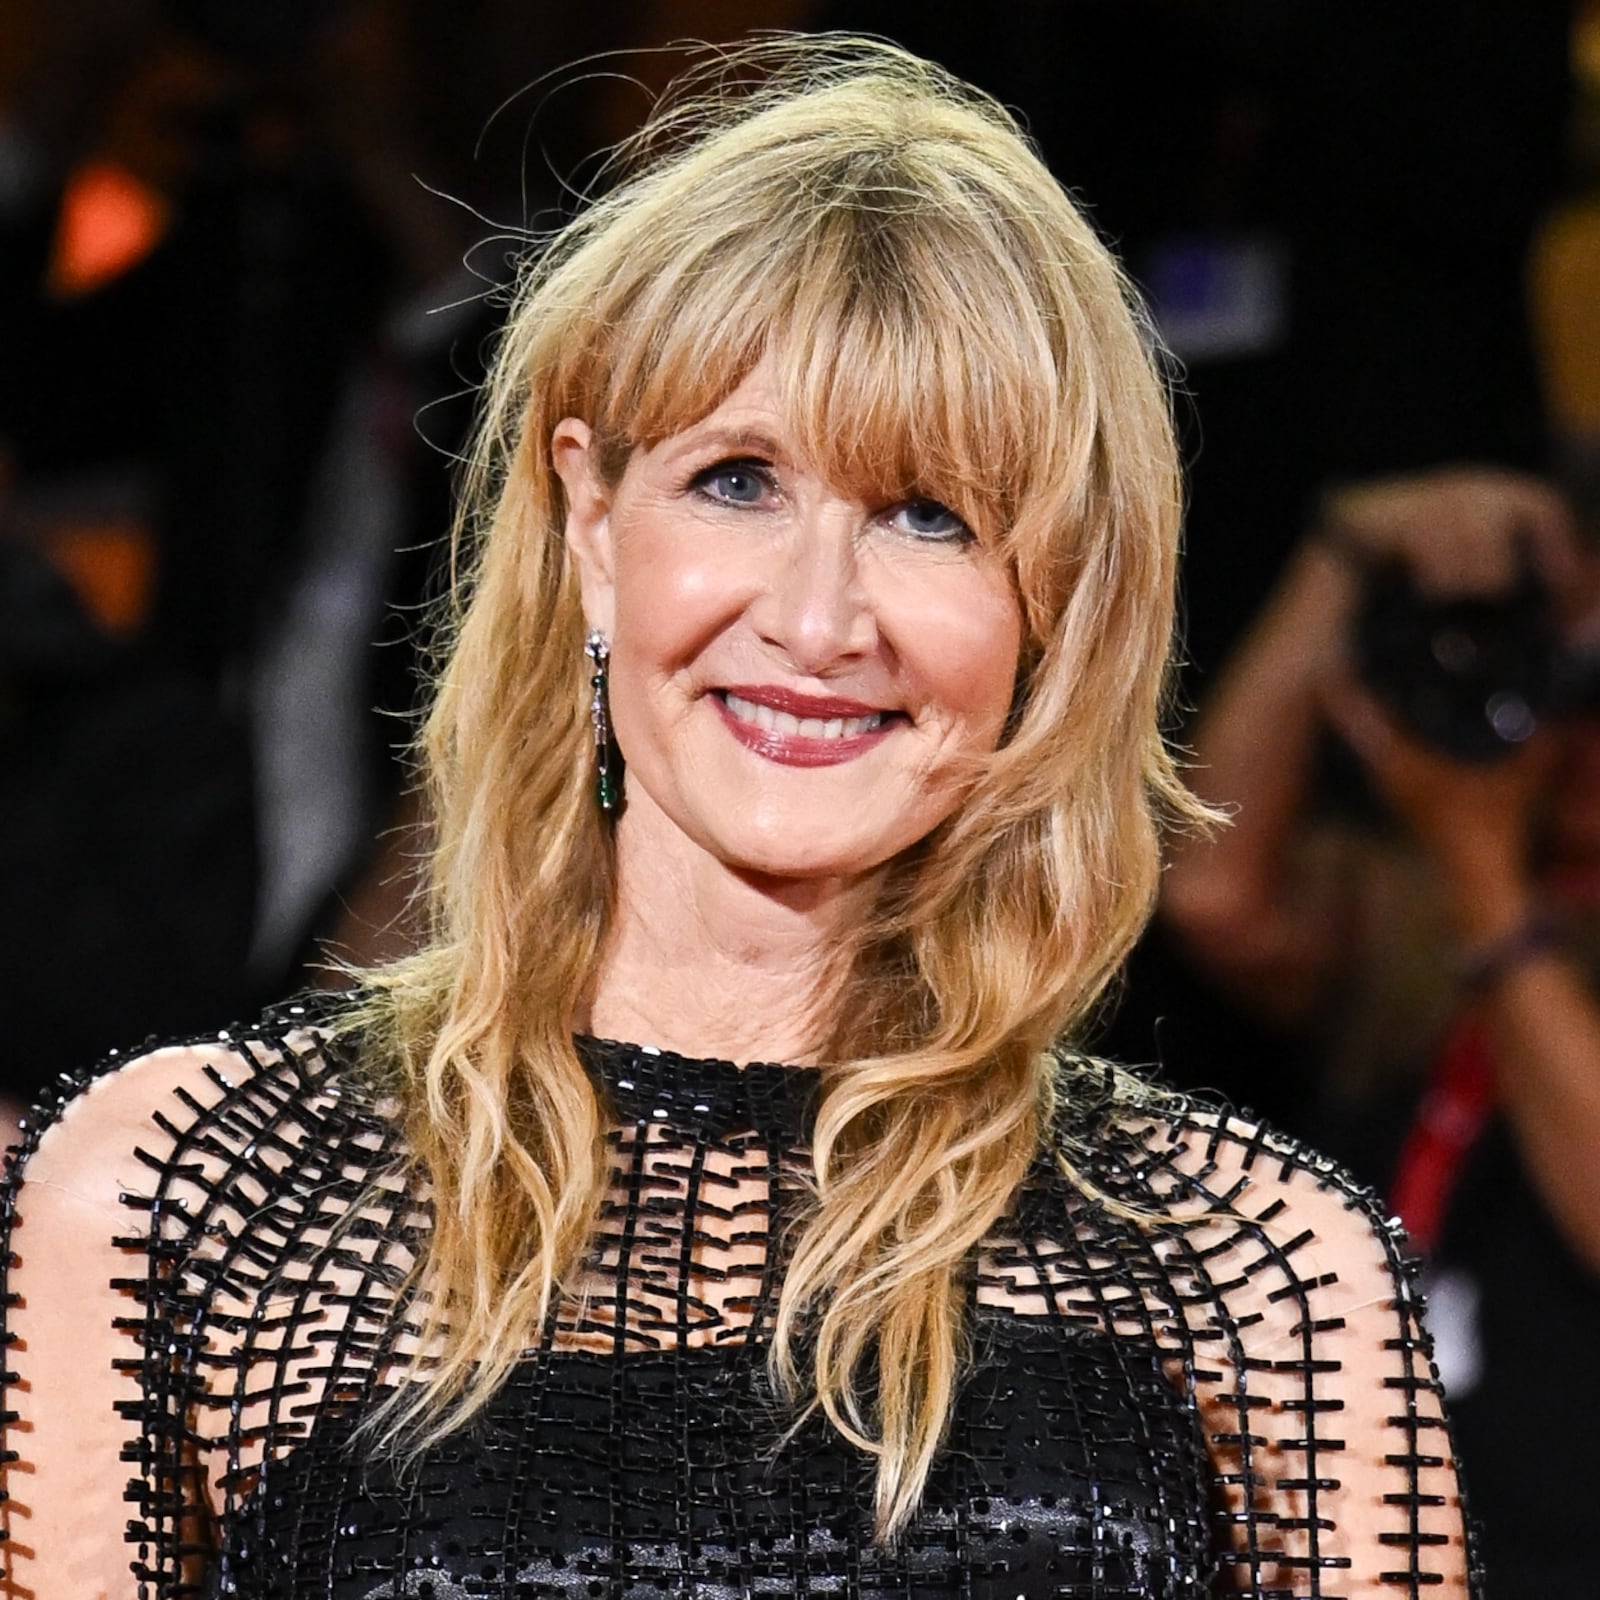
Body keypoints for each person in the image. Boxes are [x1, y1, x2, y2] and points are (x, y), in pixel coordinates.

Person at [0, 38, 1474, 1598]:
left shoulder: (1265, 1277)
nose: (821, 617)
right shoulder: (173, 1202)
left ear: (1057, 607)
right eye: (738, 482)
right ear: (588, 519)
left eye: (932, 515)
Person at [1161, 466, 1600, 1597]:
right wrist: (1343, 553)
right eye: (1557, 667)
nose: (1572, 717)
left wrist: (1481, 872)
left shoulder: (1478, 897)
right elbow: (1212, 890)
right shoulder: (1426, 917)